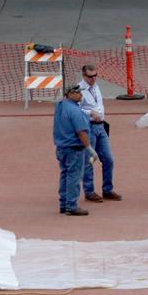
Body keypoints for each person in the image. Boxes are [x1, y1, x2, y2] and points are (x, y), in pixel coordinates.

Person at [77, 64, 122, 203]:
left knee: (108, 159)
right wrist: (90, 112)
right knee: (89, 161)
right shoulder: (78, 89)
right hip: (89, 127)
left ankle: (107, 189)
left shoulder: (96, 87)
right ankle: (89, 191)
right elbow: (75, 110)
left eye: (95, 75)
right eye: (90, 76)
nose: (93, 78)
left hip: (101, 126)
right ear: (84, 75)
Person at [53, 84, 99, 216]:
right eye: (78, 93)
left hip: (61, 147)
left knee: (65, 174)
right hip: (74, 148)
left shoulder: (60, 105)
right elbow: (81, 132)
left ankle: (63, 203)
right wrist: (90, 149)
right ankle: (71, 206)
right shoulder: (75, 111)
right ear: (71, 94)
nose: (81, 95)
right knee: (74, 176)